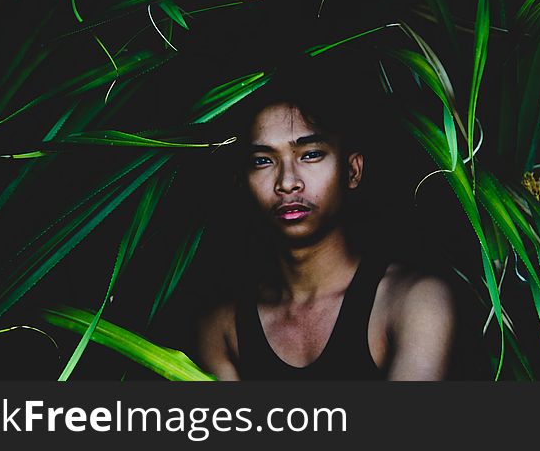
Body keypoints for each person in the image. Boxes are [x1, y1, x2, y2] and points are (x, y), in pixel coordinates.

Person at [196, 58, 457, 381]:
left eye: (310, 154)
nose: (287, 182)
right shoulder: (225, 328)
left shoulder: (410, 300)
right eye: (263, 160)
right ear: (241, 182)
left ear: (352, 170)